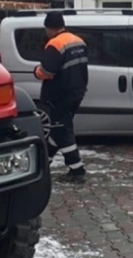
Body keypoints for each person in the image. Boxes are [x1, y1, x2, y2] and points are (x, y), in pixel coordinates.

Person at [34, 11, 90, 182]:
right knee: (58, 128)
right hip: (77, 92)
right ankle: (45, 164)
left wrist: (36, 72)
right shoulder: (78, 41)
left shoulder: (55, 44)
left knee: (62, 130)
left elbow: (47, 72)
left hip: (59, 95)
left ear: (48, 28)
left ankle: (77, 169)